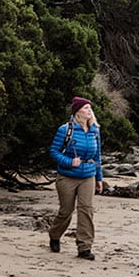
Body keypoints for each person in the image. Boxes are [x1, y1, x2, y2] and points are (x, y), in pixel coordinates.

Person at [48, 96, 104, 260]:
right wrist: (69, 162)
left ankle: (84, 247)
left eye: (90, 108)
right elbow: (54, 152)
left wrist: (99, 178)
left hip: (88, 175)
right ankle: (55, 234)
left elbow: (98, 156)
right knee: (66, 211)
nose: (89, 111)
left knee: (86, 209)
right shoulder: (65, 129)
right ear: (77, 111)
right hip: (67, 176)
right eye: (86, 108)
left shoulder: (95, 130)